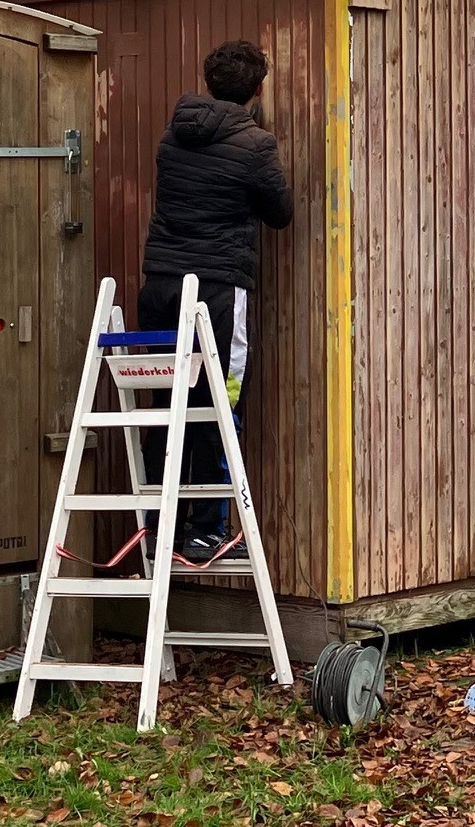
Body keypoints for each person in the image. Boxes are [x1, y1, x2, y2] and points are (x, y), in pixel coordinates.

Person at [138, 40, 293, 564]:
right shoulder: (256, 144)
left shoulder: (171, 136)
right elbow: (280, 212)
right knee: (219, 402)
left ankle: (163, 527)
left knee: (169, 404)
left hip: (158, 286)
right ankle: (209, 531)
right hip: (217, 289)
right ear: (257, 88)